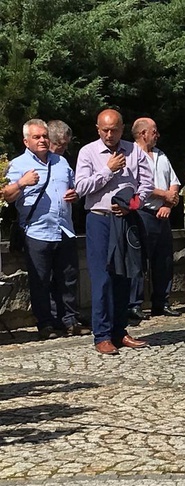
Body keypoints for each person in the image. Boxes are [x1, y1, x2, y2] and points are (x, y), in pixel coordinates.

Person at [75, 109, 154, 355]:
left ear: (122, 128)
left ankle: (120, 331)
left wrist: (132, 206)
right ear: (97, 129)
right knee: (102, 279)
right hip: (99, 220)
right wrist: (108, 170)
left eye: (114, 130)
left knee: (124, 276)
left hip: (125, 220)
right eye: (105, 130)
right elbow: (81, 187)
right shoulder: (88, 152)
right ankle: (102, 335)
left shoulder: (134, 151)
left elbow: (146, 184)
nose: (110, 135)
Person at [4, 119, 90, 340]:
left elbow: (74, 188)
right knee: (40, 281)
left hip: (63, 229)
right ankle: (45, 323)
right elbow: (7, 196)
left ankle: (69, 320)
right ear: (26, 141)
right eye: (37, 137)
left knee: (68, 278)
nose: (42, 140)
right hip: (37, 232)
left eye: (44, 136)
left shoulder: (61, 162)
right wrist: (22, 183)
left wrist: (76, 194)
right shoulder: (18, 165)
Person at [128, 118, 181, 320]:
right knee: (139, 261)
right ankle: (134, 304)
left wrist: (168, 204)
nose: (157, 135)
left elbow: (174, 182)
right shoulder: (131, 155)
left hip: (163, 214)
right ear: (143, 133)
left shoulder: (161, 155)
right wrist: (163, 195)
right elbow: (135, 185)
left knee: (164, 260)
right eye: (154, 131)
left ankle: (161, 301)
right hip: (142, 214)